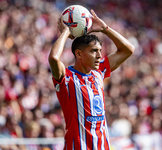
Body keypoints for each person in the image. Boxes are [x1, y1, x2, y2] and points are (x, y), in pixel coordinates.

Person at [48, 9, 135, 150]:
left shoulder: (98, 72)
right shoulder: (66, 77)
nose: (99, 55)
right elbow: (53, 58)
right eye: (94, 51)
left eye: (100, 51)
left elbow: (128, 49)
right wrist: (65, 32)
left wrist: (105, 29)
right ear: (79, 54)